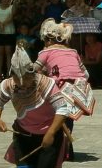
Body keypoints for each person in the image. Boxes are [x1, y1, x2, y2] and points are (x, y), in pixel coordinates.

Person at [34, 19, 94, 153]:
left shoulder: (45, 52)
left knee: (54, 112)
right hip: (78, 88)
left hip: (59, 87)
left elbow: (33, 71)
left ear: (49, 40)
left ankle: (59, 145)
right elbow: (86, 74)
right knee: (67, 117)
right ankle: (66, 146)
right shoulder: (73, 52)